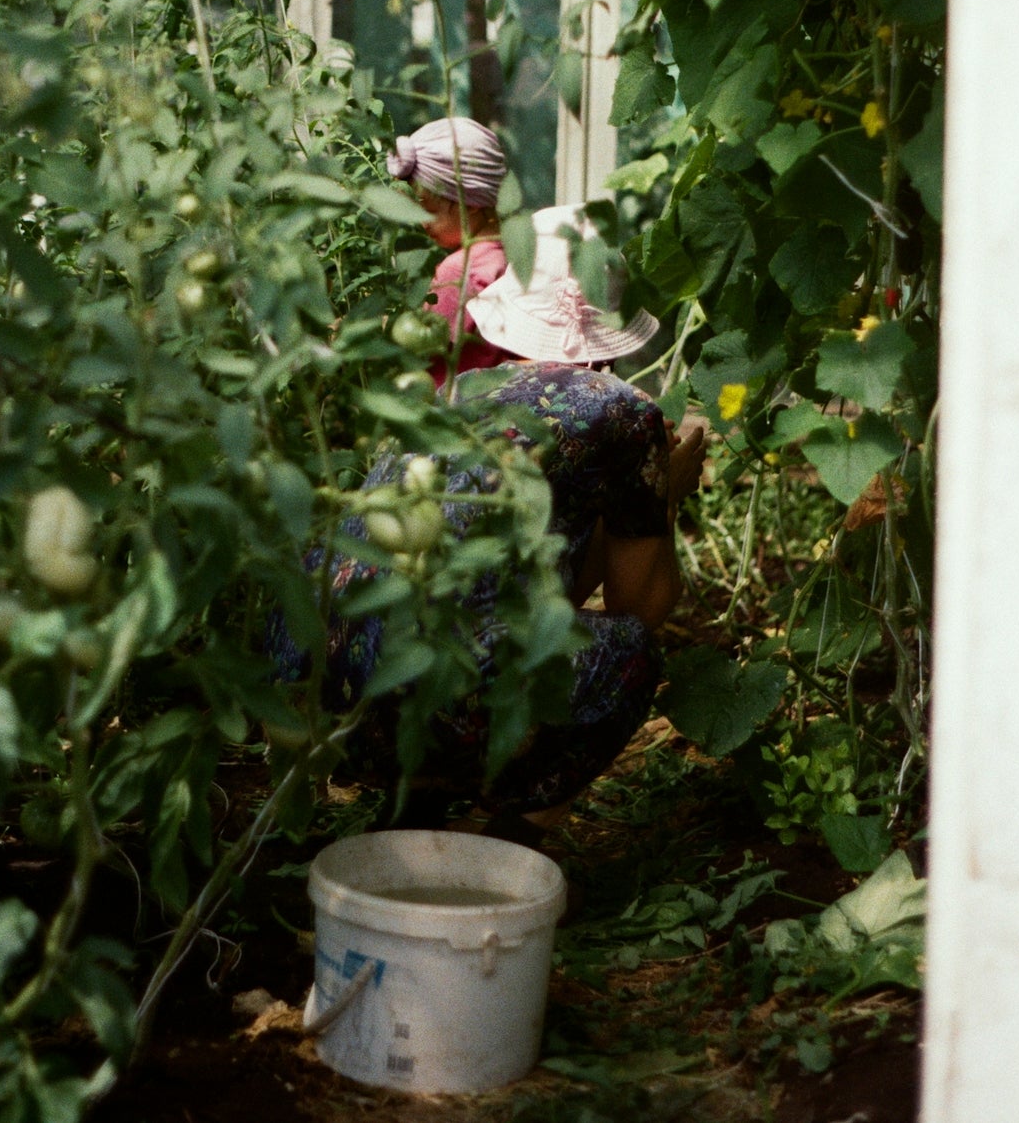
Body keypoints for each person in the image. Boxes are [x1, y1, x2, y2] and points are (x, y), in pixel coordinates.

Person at [272, 205, 704, 826]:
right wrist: (663, 492)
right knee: (627, 653)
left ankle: (417, 812)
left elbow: (533, 585)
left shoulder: (454, 397)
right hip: (435, 694)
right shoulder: (619, 409)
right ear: (606, 339)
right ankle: (511, 841)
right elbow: (643, 604)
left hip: (326, 697)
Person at [387, 115, 514, 385]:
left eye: (428, 210)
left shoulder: (459, 270)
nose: (421, 222)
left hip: (452, 407)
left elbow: (423, 345)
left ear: (469, 203)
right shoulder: (510, 256)